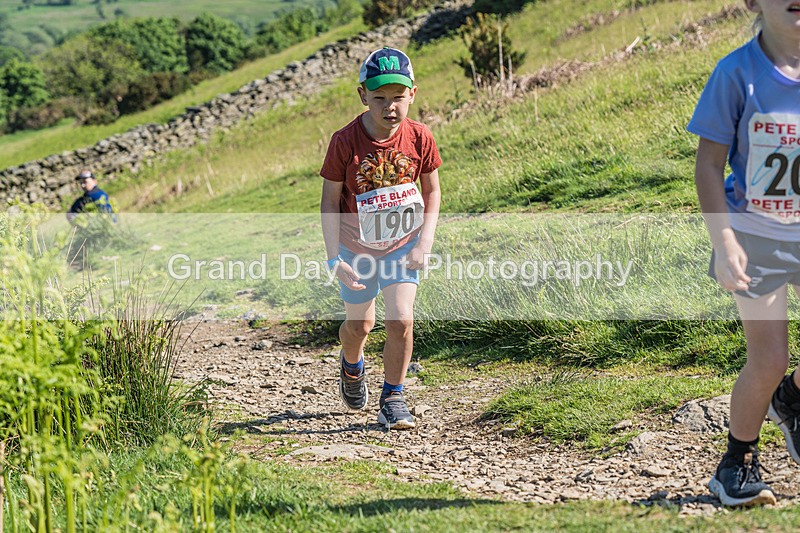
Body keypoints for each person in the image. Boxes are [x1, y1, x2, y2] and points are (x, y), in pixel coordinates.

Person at [688, 0, 800, 507]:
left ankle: (792, 400)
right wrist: (724, 239)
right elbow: (709, 164)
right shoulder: (736, 73)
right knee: (769, 358)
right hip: (755, 235)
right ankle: (736, 464)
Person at [320, 47, 442, 430]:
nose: (390, 107)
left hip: (402, 245)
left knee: (401, 320)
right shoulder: (345, 142)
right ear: (362, 96)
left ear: (413, 94)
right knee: (360, 326)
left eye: (398, 97)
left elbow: (433, 191)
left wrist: (424, 243)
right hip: (355, 249)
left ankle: (394, 396)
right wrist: (332, 258)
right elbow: (328, 202)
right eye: (379, 98)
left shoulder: (420, 137)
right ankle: (351, 364)